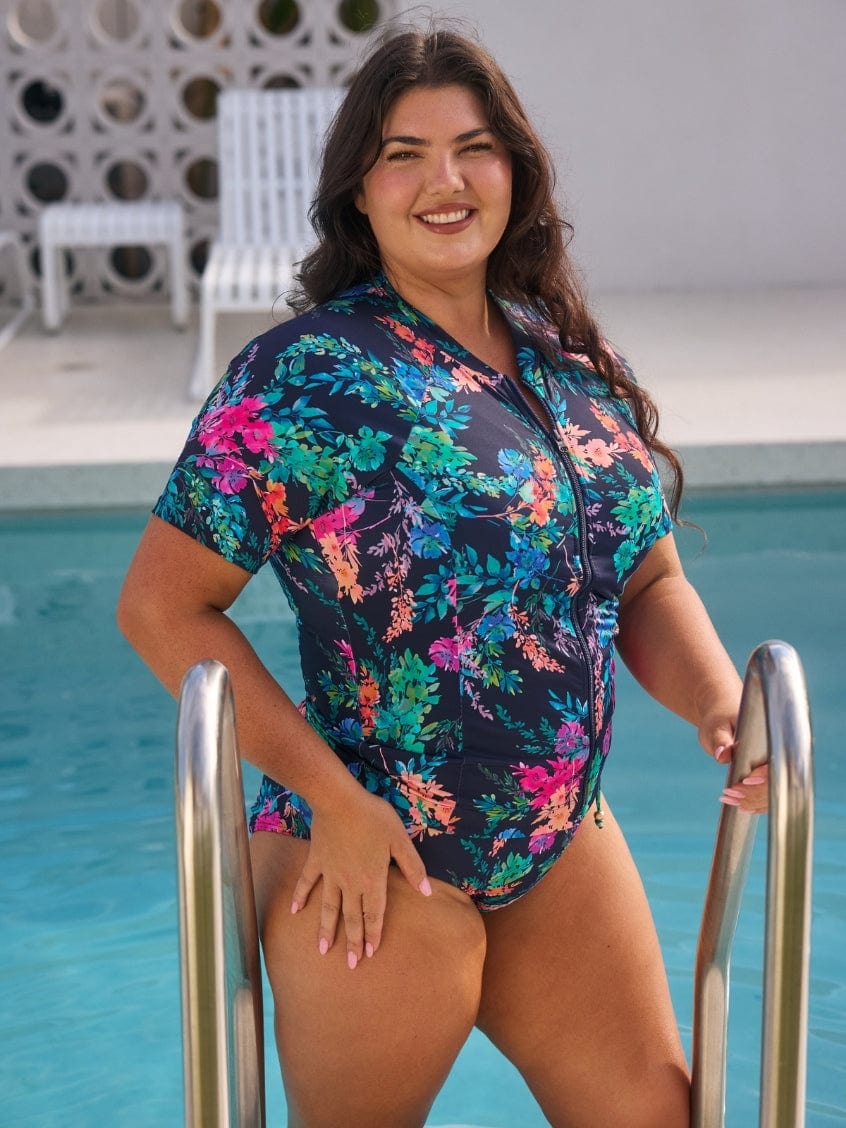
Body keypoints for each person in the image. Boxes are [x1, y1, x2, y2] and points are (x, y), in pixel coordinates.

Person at [117, 24, 768, 1128]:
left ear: (515, 168)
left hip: (557, 847)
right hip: (374, 856)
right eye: (403, 153)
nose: (445, 181)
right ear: (358, 194)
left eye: (473, 147)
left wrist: (718, 706)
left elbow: (648, 582)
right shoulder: (303, 377)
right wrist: (336, 801)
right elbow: (162, 607)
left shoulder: (567, 363)